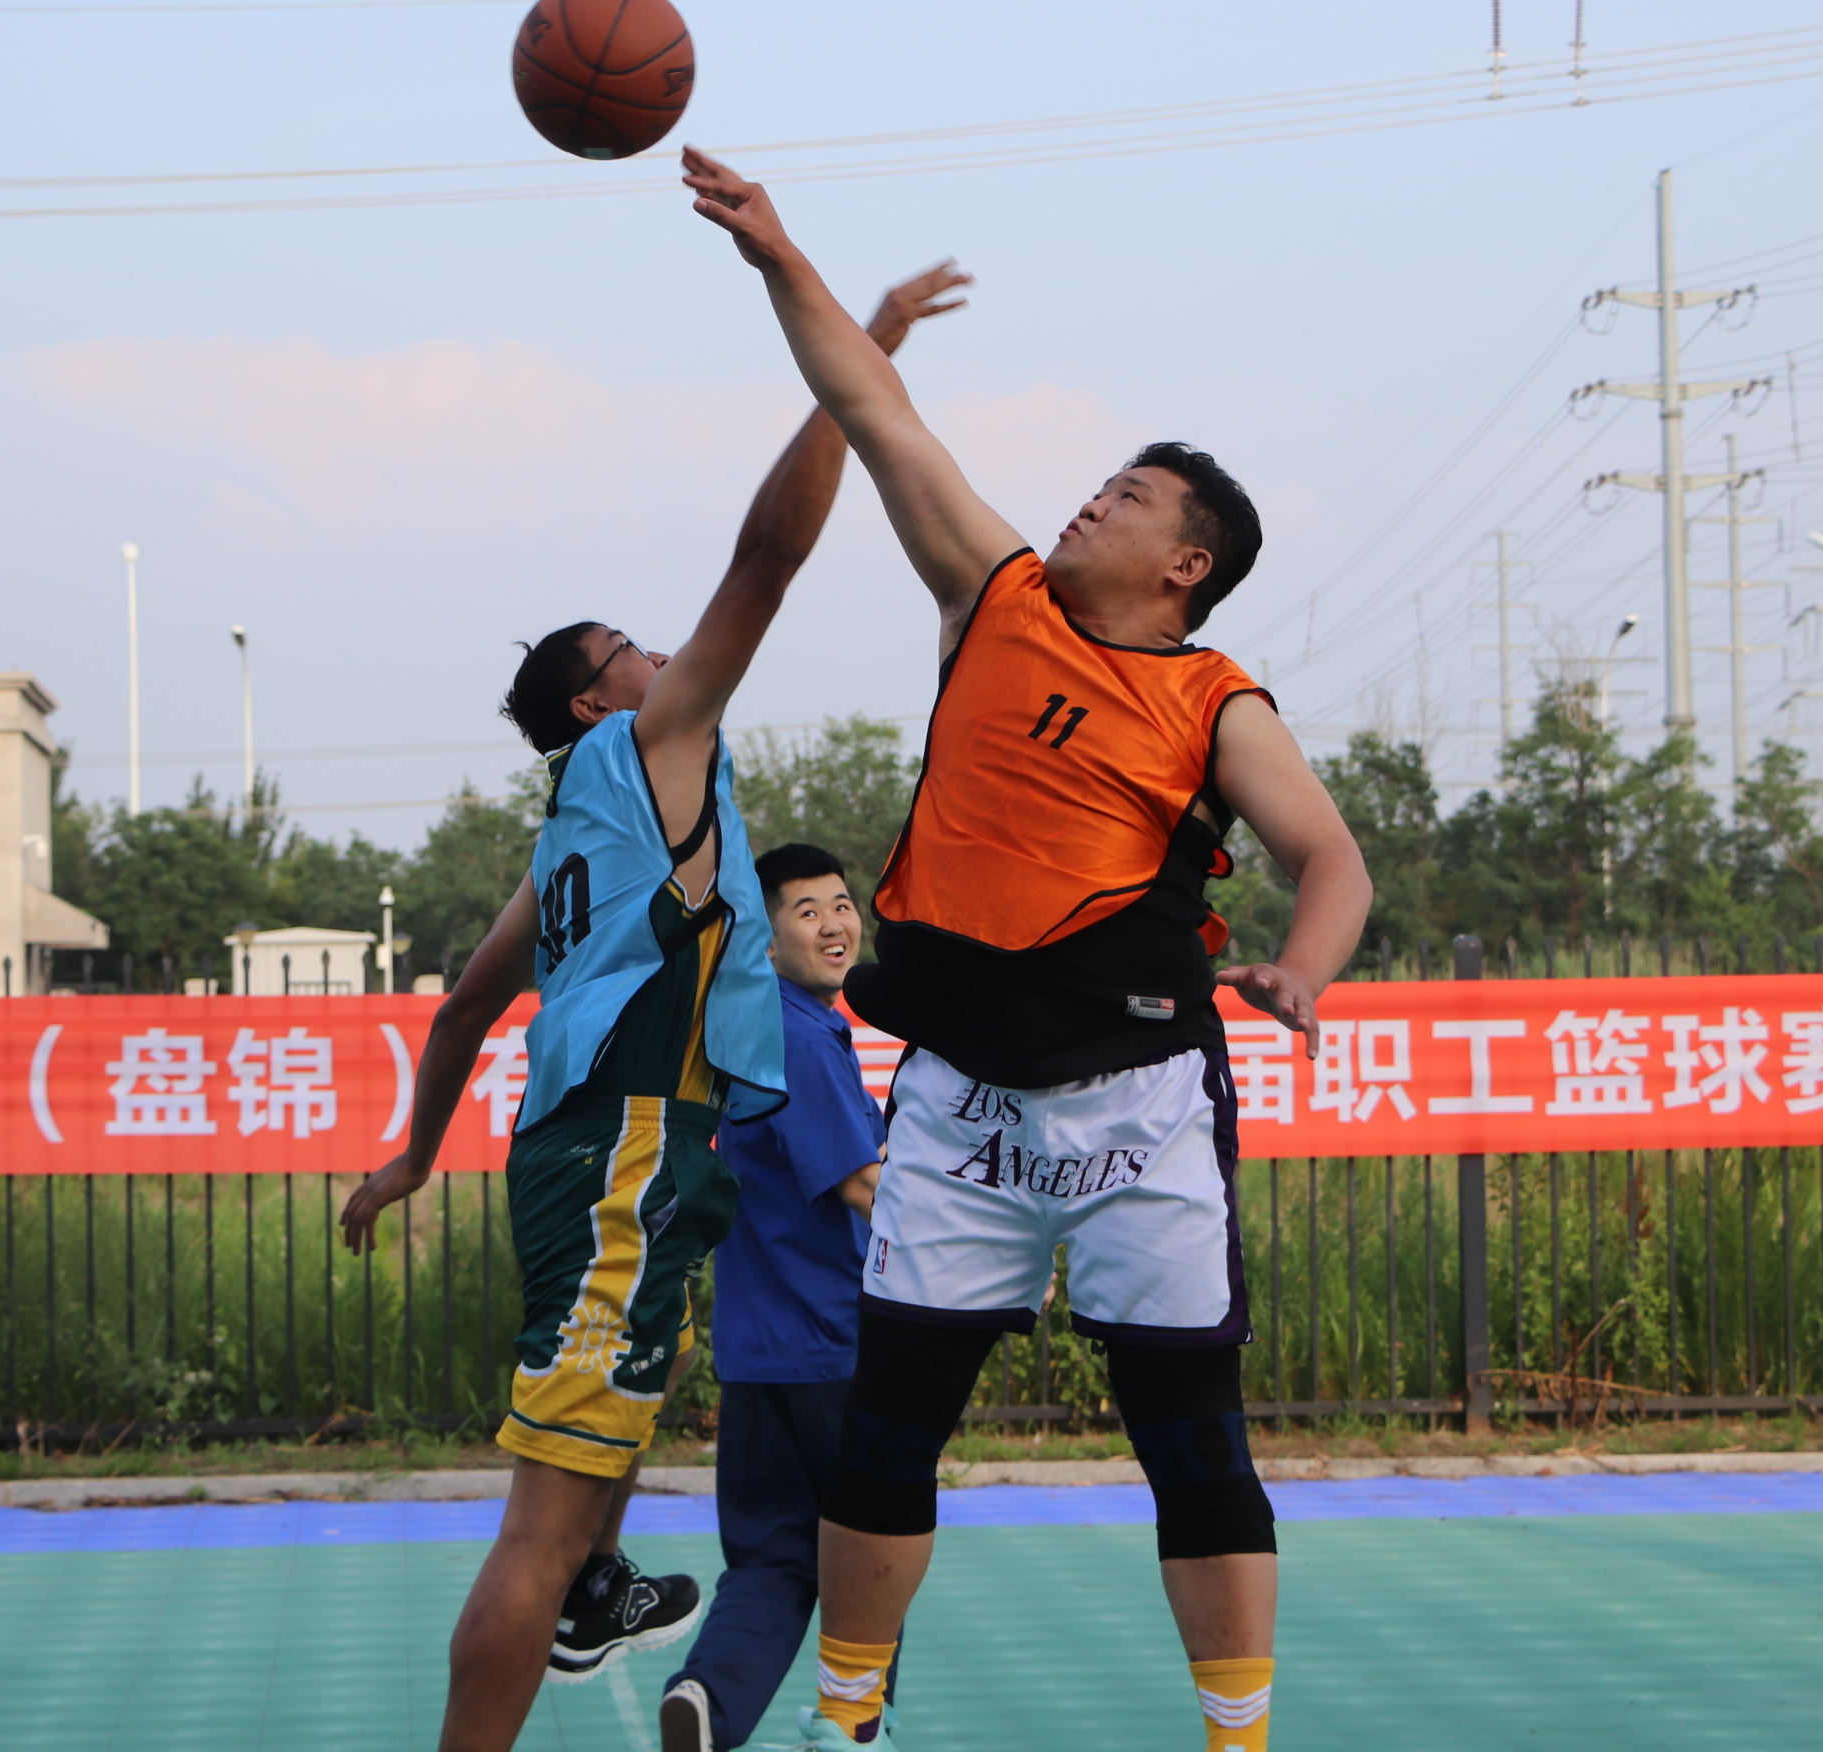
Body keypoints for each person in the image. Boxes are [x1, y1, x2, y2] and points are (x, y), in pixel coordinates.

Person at [683, 147, 1372, 1752]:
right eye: (1098, 482)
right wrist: (782, 253)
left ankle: (1239, 1736)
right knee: (887, 1433)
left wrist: (1307, 970)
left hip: (1140, 1107)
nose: (1091, 498)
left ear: (1186, 565)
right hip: (964, 1106)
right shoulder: (996, 596)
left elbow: (1331, 858)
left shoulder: (1214, 701)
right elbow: (873, 409)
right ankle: (846, 1718)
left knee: (1192, 1443)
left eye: (1128, 497)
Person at [340, 262, 970, 1752]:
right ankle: (570, 1579)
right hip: (626, 1145)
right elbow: (769, 557)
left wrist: (415, 1153)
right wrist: (865, 355)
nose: (658, 652)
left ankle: (595, 1581)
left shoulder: (573, 833)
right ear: (596, 700)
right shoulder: (653, 747)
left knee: (630, 1400)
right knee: (537, 1522)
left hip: (622, 1149)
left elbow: (461, 1009)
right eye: (627, 646)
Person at [660, 844, 890, 1752]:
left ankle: (707, 1700)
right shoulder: (798, 1035)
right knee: (872, 1550)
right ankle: (857, 1728)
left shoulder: (759, 1030)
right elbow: (864, 1184)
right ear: (765, 936)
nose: (835, 924)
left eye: (842, 904)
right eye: (808, 910)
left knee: (771, 1556)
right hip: (832, 1345)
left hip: (757, 1351)